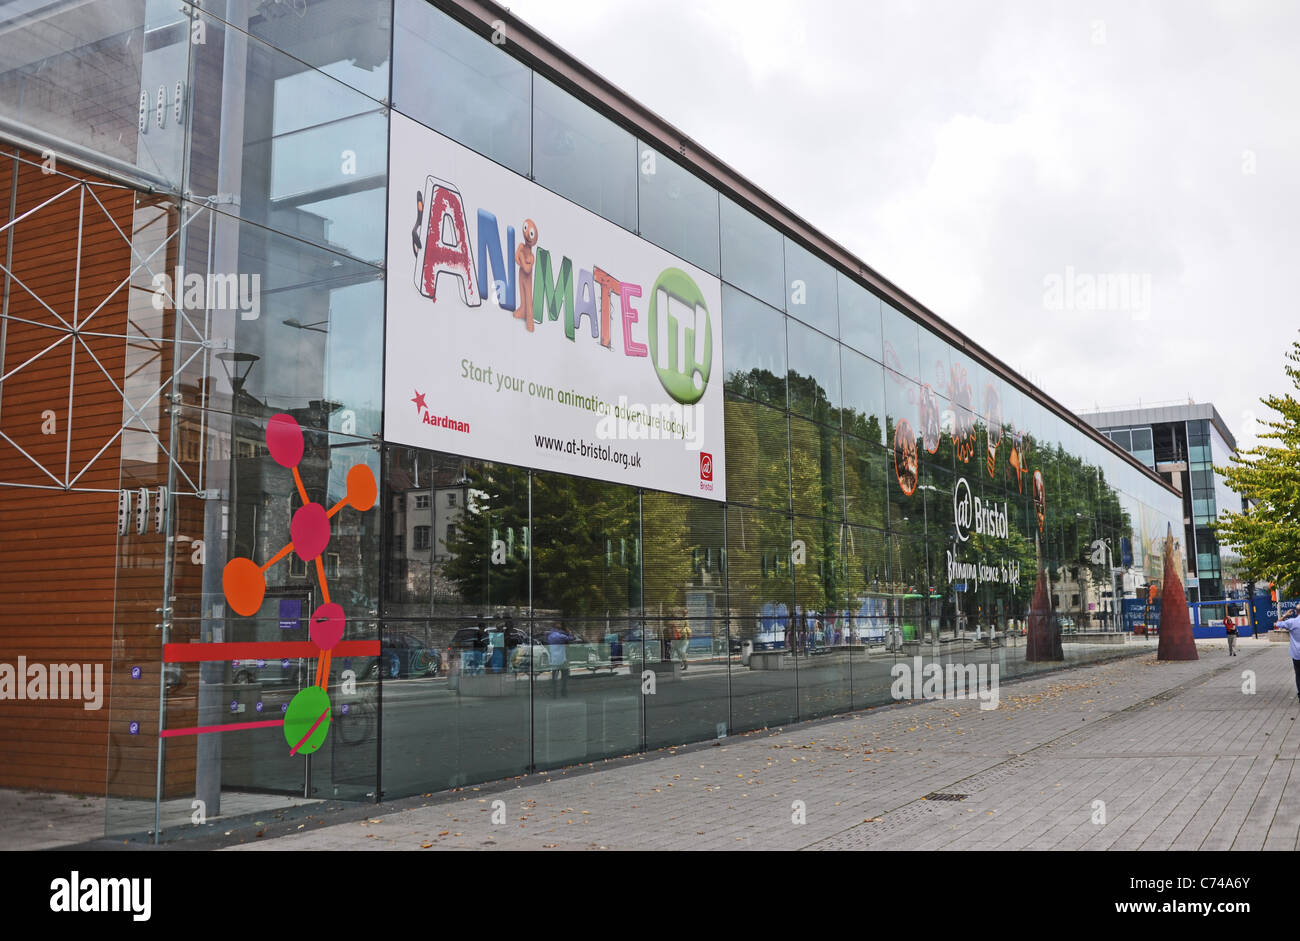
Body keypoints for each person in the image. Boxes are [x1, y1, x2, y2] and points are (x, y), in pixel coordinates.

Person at [1278, 608, 1300, 704]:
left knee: (1298, 675)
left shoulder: (1291, 622)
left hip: (1297, 654)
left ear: (1296, 611)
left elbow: (1277, 624)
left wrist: (1285, 615)